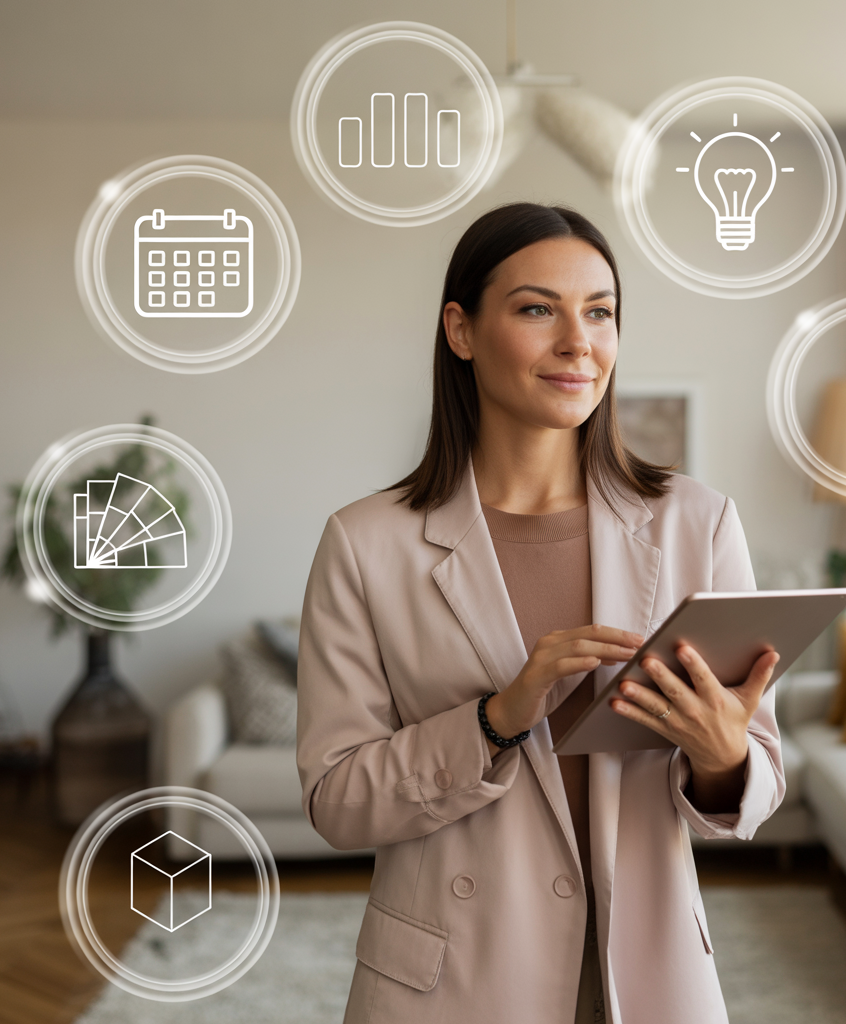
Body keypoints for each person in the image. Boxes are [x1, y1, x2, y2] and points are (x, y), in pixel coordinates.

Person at [297, 203, 785, 1024]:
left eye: (599, 312)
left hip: (649, 975)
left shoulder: (700, 524)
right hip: (453, 983)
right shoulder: (364, 543)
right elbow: (337, 800)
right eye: (536, 309)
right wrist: (495, 720)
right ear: (461, 329)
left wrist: (725, 757)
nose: (577, 341)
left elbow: (760, 774)